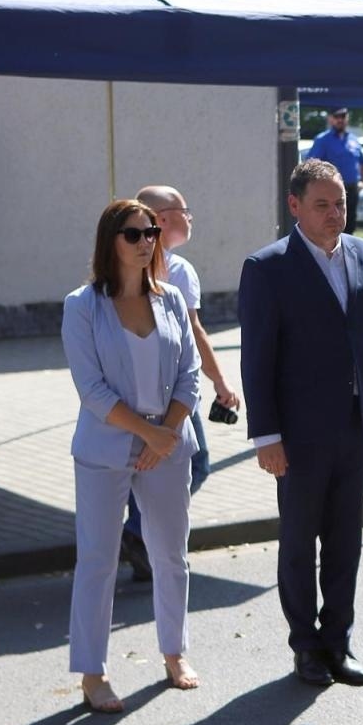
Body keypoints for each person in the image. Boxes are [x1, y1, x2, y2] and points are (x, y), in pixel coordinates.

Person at [238, 159, 363, 688]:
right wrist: (267, 436)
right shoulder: (267, 268)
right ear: (295, 207)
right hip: (299, 435)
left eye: (341, 204)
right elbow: (257, 358)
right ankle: (304, 646)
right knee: (299, 540)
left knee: (344, 540)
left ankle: (338, 640)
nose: (335, 215)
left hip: (355, 427)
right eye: (322, 205)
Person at [61, 199, 202, 712]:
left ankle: (173, 652)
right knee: (97, 561)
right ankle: (93, 673)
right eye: (134, 234)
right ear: (111, 241)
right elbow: (91, 390)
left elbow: (190, 377)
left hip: (166, 444)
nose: (146, 242)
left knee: (171, 555)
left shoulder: (170, 301)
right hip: (106, 447)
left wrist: (164, 433)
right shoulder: (82, 306)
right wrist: (146, 432)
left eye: (152, 234)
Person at [118, 185, 240, 581]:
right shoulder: (178, 269)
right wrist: (222, 384)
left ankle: (141, 540)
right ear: (164, 218)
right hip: (171, 395)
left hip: (131, 390)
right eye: (185, 211)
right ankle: (137, 534)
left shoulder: (122, 264)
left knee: (146, 462)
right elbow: (194, 334)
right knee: (196, 461)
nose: (190, 218)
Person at [306, 107, 363, 235]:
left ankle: (347, 251)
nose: (340, 120)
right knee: (333, 221)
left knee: (350, 222)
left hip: (352, 188)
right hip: (331, 190)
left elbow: (362, 162)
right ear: (330, 119)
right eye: (336, 117)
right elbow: (312, 164)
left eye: (343, 116)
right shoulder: (322, 140)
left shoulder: (353, 139)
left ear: (347, 118)